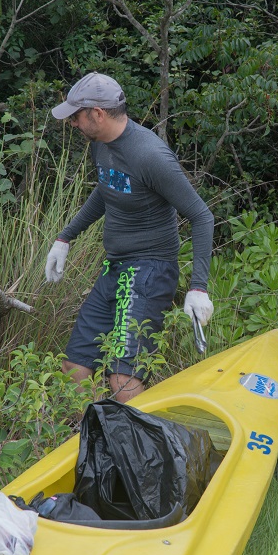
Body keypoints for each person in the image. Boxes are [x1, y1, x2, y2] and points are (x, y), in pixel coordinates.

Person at [44, 72, 215, 402]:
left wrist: (198, 287)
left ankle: (140, 451)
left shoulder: (150, 156)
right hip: (116, 267)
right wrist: (65, 237)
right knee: (75, 367)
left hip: (151, 269)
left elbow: (201, 216)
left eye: (77, 117)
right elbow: (107, 190)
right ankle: (98, 442)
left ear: (98, 113)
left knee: (122, 377)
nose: (73, 124)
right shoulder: (101, 147)